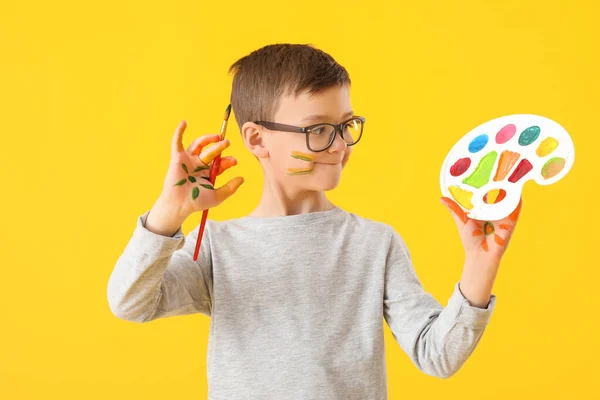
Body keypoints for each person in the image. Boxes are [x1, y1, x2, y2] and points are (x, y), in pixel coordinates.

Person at [107, 43, 522, 399]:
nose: (340, 144)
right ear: (256, 139)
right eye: (318, 129)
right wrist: (168, 212)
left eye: (346, 126)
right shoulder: (218, 245)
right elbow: (131, 302)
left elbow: (437, 354)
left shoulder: (376, 244)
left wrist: (480, 266)